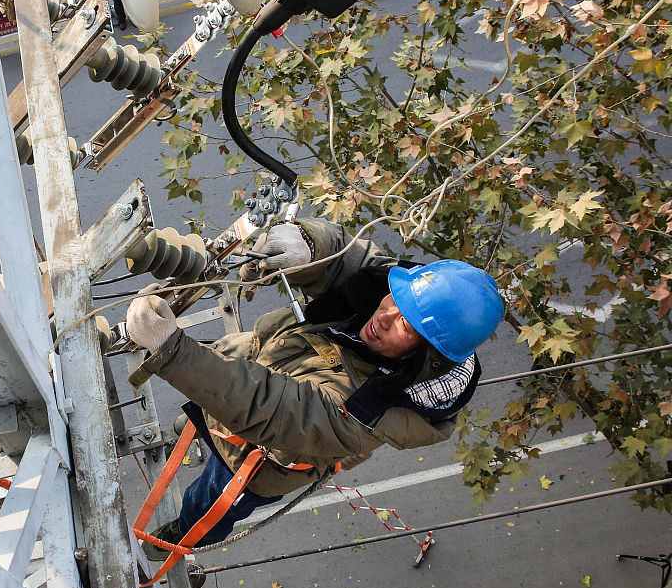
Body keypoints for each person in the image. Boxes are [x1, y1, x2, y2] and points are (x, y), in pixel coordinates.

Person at [125, 218, 505, 558]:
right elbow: (352, 259)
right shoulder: (398, 297)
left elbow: (266, 407)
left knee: (206, 503)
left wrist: (171, 350)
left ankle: (177, 540)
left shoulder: (369, 411)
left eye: (406, 325)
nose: (383, 317)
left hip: (253, 460)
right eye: (395, 300)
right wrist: (311, 245)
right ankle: (196, 429)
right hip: (248, 371)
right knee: (206, 414)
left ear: (428, 352)